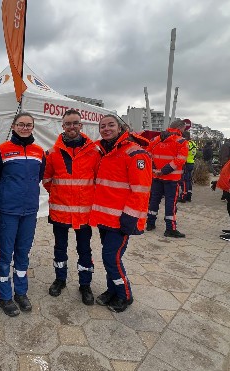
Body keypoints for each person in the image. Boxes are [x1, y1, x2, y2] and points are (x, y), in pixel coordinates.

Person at [89, 114, 152, 312]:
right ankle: (112, 290)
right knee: (110, 257)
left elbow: (141, 190)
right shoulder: (104, 152)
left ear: (120, 127)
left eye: (111, 125)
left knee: (111, 258)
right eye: (102, 126)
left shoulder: (135, 153)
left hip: (122, 219)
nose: (106, 129)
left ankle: (125, 295)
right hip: (105, 218)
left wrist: (130, 218)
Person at [0, 112, 46, 317]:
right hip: (7, 211)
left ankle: (21, 292)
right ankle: (4, 296)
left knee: (23, 252)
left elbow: (39, 177)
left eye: (28, 125)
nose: (24, 128)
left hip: (29, 211)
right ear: (13, 126)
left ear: (33, 127)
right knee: (4, 254)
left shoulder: (39, 152)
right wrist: (5, 195)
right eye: (21, 124)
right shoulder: (3, 150)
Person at [43, 109, 100, 305]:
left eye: (75, 123)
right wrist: (61, 195)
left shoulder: (94, 152)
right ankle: (60, 280)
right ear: (63, 126)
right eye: (68, 123)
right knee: (60, 248)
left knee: (84, 250)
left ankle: (85, 284)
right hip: (60, 211)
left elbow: (98, 179)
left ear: (81, 125)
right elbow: (47, 180)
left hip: (84, 214)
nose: (72, 127)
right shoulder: (52, 153)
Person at [145, 119, 188, 238]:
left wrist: (155, 170)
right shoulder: (181, 141)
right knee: (171, 203)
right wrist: (164, 171)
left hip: (156, 176)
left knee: (154, 200)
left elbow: (146, 154)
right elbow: (180, 160)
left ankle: (150, 223)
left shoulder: (156, 139)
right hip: (172, 178)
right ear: (180, 128)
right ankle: (170, 229)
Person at [178, 130, 197, 203]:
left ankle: (183, 196)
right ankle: (189, 195)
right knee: (189, 180)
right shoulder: (193, 143)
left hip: (185, 163)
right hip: (191, 162)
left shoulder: (186, 144)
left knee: (184, 180)